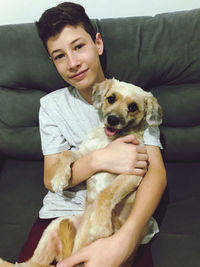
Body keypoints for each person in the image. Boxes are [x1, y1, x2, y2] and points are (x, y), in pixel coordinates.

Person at [18, 2, 167, 267]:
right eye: (59, 55)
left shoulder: (137, 100)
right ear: (52, 62)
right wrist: (100, 159)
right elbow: (52, 179)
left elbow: (156, 174)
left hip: (119, 215)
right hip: (62, 212)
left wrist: (128, 237)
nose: (73, 63)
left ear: (97, 43)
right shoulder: (51, 106)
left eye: (78, 46)